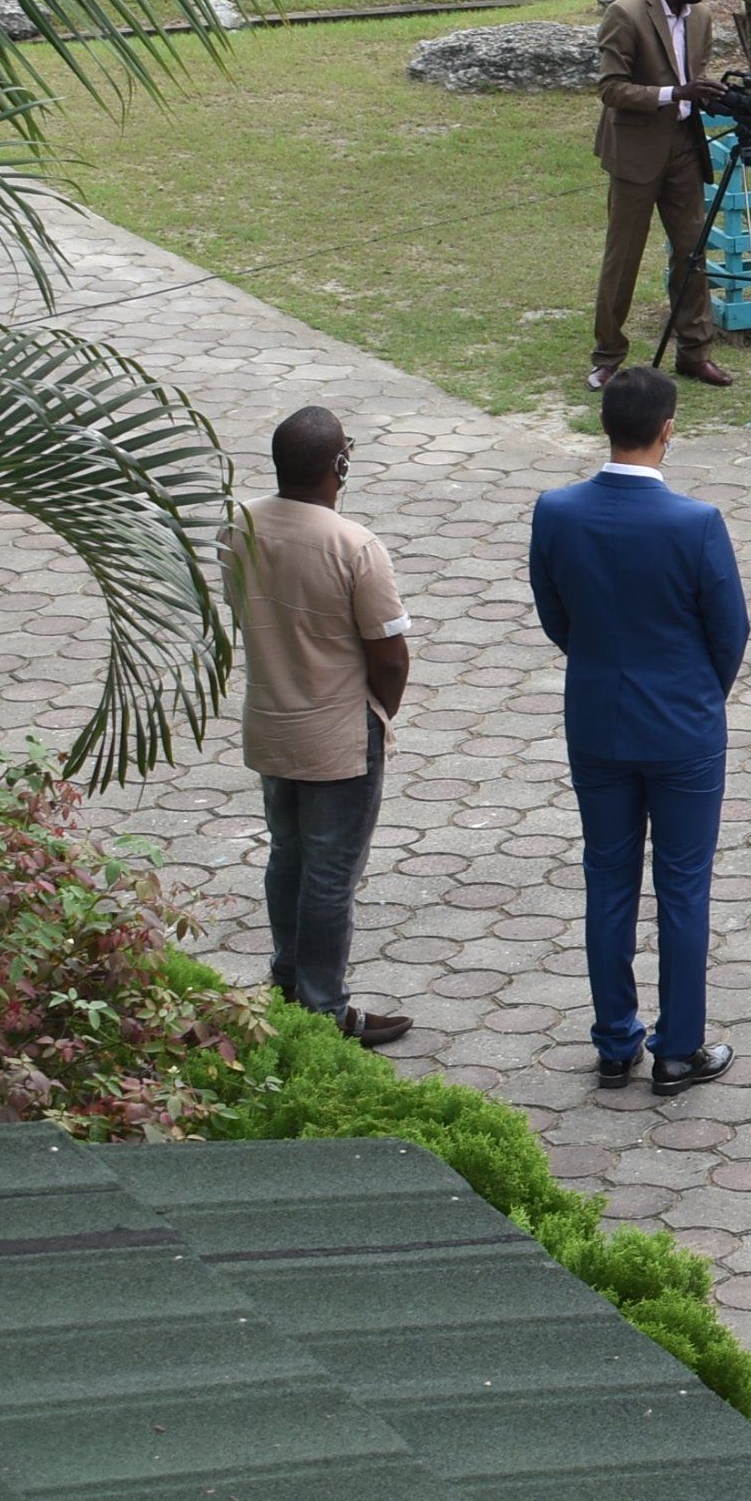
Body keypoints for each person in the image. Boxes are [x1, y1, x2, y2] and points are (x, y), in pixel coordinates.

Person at [527, 366, 750, 1098]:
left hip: (596, 718)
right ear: (668, 428)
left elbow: (556, 615)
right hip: (683, 725)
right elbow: (730, 629)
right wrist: (698, 695)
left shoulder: (555, 511)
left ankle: (615, 1042)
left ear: (605, 425)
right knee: (683, 886)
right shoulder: (696, 522)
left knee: (607, 879)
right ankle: (679, 1048)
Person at [230, 405, 413, 1047]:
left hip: (271, 723)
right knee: (332, 875)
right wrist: (380, 710)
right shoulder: (353, 545)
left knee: (287, 856)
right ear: (339, 465)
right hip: (338, 735)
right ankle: (323, 1010)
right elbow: (388, 655)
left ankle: (285, 981)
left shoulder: (242, 523)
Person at [590, 0, 739, 392]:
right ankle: (607, 356)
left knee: (692, 253)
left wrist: (709, 96)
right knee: (623, 259)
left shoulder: (702, 18)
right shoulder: (626, 13)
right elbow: (611, 89)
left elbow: (690, 79)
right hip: (634, 154)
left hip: (682, 150)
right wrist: (674, 94)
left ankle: (695, 352)